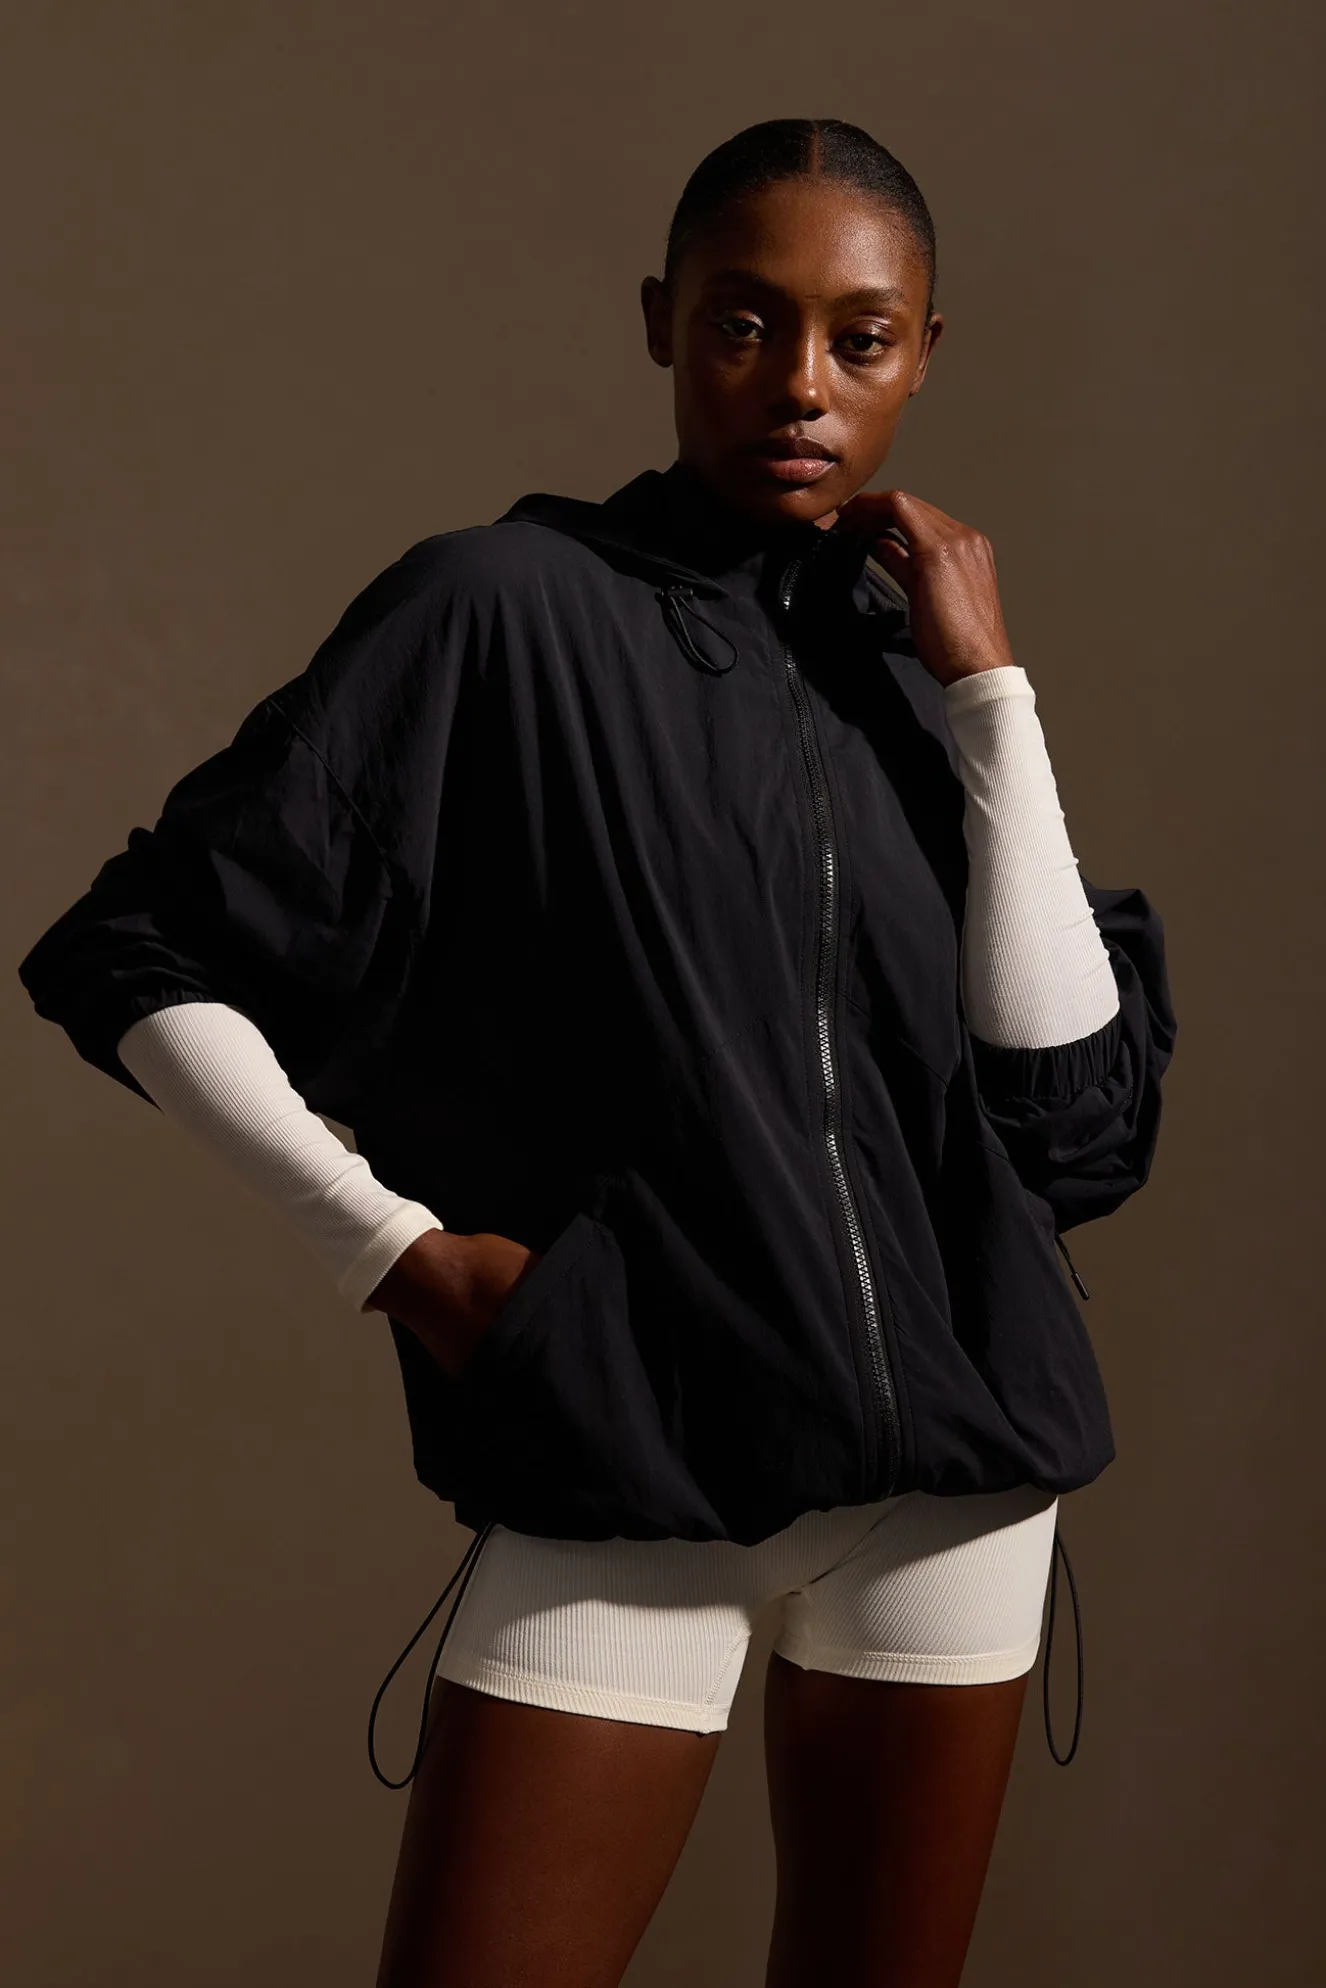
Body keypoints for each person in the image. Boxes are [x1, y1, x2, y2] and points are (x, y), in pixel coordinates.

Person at [17, 117, 1176, 1988]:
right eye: (743, 321)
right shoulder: (499, 606)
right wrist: (391, 1254)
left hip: (956, 1497)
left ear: (923, 353)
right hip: (633, 1454)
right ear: (661, 323)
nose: (799, 384)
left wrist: (989, 695)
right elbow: (132, 949)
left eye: (859, 337)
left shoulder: (919, 670)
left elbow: (1072, 1130)